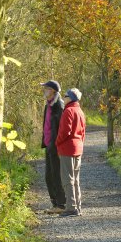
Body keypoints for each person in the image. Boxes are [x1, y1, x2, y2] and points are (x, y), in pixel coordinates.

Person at [56, 88, 86, 217]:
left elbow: (64, 132)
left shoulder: (68, 111)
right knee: (76, 179)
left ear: (71, 98)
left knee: (67, 178)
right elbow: (83, 132)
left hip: (67, 148)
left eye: (65, 95)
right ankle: (77, 206)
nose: (63, 97)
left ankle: (71, 207)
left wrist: (57, 142)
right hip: (78, 147)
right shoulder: (80, 111)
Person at [40, 80, 66, 214]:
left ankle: (61, 205)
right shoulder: (48, 105)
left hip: (56, 146)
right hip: (49, 145)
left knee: (56, 175)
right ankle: (54, 203)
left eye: (46, 88)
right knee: (48, 176)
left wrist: (55, 144)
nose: (44, 91)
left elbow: (62, 128)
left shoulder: (59, 105)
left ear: (53, 91)